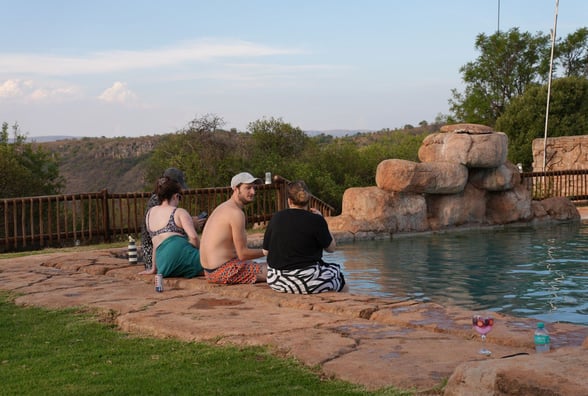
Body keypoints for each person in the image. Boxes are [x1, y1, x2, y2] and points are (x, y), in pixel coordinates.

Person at [262, 180, 347, 294]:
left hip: (277, 281)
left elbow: (265, 252)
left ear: (289, 201)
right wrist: (323, 221)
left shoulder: (276, 217)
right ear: (308, 200)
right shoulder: (316, 220)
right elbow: (331, 248)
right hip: (306, 281)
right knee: (339, 277)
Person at [199, 172, 267, 284]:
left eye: (254, 188)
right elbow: (243, 254)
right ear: (236, 189)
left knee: (259, 263)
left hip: (209, 272)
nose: (253, 192)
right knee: (274, 271)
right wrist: (267, 252)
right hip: (223, 271)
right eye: (248, 188)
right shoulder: (236, 213)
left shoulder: (223, 207)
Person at [141, 168, 205, 271]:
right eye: (179, 196)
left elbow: (158, 234)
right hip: (167, 255)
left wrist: (153, 268)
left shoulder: (152, 210)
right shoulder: (176, 211)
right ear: (174, 195)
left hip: (159, 261)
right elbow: (193, 237)